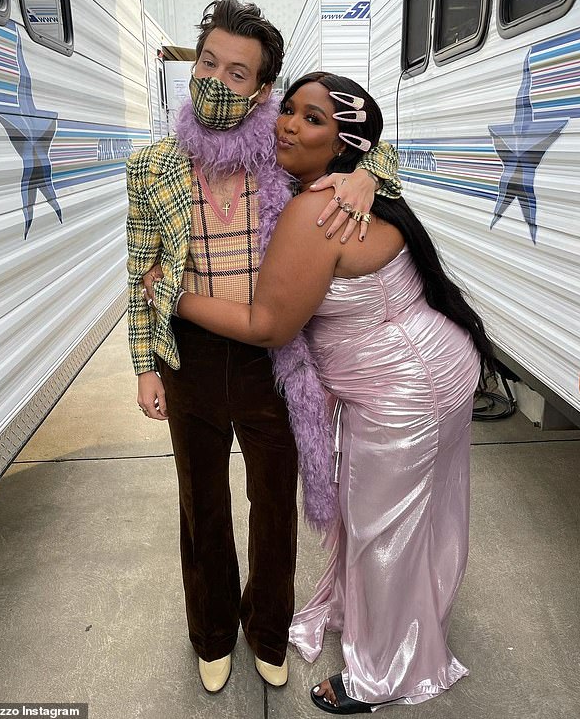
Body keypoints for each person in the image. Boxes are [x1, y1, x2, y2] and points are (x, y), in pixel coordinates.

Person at [170, 71, 496, 713]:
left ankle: (385, 671)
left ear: (345, 143)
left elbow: (268, 325)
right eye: (288, 109)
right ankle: (385, 614)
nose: (289, 123)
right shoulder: (355, 191)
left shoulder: (312, 209)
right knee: (399, 521)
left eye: (312, 119)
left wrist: (178, 298)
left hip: (405, 391)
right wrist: (368, 169)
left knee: (382, 529)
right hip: (430, 370)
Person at [125, 0, 401, 694]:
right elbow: (138, 271)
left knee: (272, 505)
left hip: (272, 361)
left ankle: (268, 631)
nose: (218, 82)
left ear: (263, 89)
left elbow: (374, 143)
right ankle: (213, 634)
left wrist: (370, 173)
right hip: (186, 357)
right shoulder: (152, 166)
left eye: (238, 74)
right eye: (209, 63)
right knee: (202, 505)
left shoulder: (283, 159)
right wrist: (143, 367)